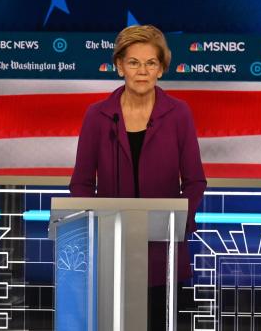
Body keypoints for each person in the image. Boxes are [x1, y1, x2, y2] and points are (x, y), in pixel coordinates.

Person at [69, 25, 207, 330]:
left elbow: (195, 181)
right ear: (119, 67)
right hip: (112, 249)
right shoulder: (98, 115)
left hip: (163, 251)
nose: (142, 71)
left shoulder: (179, 114)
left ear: (161, 69)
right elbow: (80, 182)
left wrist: (175, 222)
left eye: (150, 63)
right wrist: (96, 225)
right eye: (133, 63)